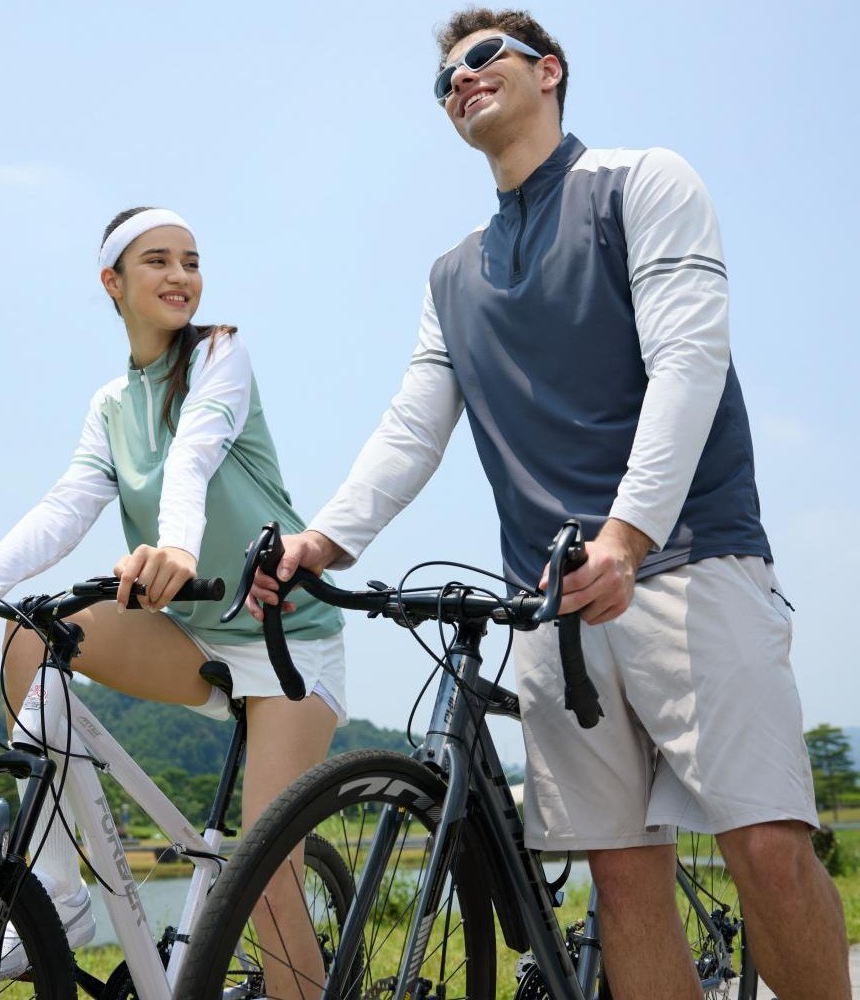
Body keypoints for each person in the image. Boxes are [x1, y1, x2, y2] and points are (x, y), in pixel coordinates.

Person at [249, 9, 851, 998]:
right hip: (550, 606)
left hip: (687, 559)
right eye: (442, 77)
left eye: (483, 57)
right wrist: (322, 540)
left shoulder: (643, 182)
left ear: (550, 70)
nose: (460, 79)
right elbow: (412, 426)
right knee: (619, 879)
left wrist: (626, 535)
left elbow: (688, 361)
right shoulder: (452, 275)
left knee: (769, 849)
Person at [0, 206, 345, 989]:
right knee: (36, 632)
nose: (180, 276)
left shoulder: (220, 354)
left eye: (191, 261)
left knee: (266, 879)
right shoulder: (110, 406)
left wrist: (175, 551)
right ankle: (59, 894)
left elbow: (196, 450)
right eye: (158, 261)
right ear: (113, 282)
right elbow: (67, 507)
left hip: (286, 642)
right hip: (195, 637)